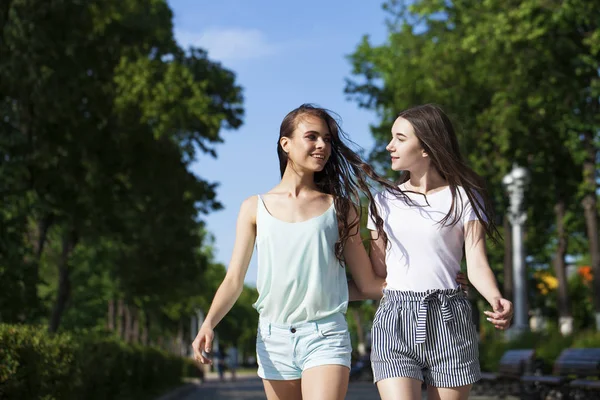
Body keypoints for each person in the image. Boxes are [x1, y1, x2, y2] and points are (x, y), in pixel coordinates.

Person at [191, 104, 468, 400]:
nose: (322, 145)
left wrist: (435, 283)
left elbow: (369, 284)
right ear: (286, 144)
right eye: (312, 137)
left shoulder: (340, 208)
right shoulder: (253, 208)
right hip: (273, 338)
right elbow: (234, 280)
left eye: (327, 139)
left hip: (326, 335)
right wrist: (208, 323)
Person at [365, 104, 513, 400]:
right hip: (395, 318)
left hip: (449, 318)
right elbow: (379, 271)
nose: (389, 145)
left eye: (400, 138)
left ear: (426, 147)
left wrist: (495, 298)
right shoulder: (382, 202)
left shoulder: (464, 197)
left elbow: (477, 262)